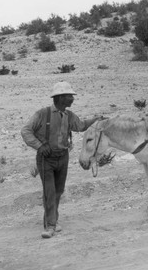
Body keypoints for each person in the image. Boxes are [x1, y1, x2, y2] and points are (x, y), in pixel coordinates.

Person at [21, 81, 103, 239]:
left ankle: (52, 219)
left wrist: (96, 119)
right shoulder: (42, 114)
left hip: (63, 157)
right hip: (46, 158)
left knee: (58, 191)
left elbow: (80, 126)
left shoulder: (69, 116)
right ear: (59, 98)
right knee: (50, 192)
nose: (72, 99)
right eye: (69, 96)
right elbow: (26, 131)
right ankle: (50, 226)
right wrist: (39, 146)